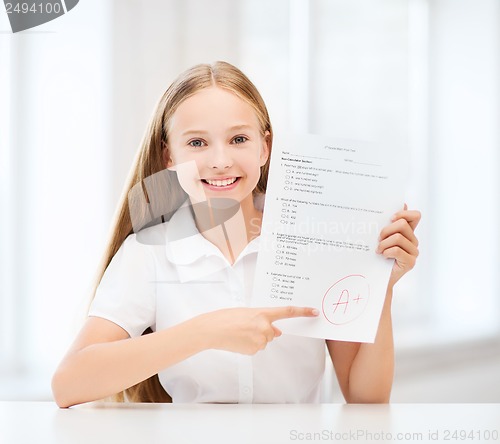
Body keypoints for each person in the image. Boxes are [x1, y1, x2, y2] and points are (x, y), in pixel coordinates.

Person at [51, 61, 421, 408]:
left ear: (266, 147)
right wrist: (207, 331)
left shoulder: (314, 237)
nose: (220, 160)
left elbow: (365, 399)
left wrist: (381, 286)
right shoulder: (148, 254)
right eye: (197, 143)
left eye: (238, 139)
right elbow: (69, 383)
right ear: (169, 157)